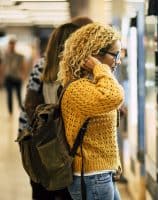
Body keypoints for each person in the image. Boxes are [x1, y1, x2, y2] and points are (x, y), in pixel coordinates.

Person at [19, 17, 93, 200]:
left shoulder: (41, 67)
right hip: (68, 150)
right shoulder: (77, 73)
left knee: (44, 191)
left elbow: (28, 106)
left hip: (43, 146)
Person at [58, 22, 124, 200]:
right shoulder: (79, 89)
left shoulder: (92, 85)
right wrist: (99, 68)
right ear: (95, 54)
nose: (119, 60)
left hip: (100, 174)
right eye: (115, 54)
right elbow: (115, 95)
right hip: (91, 177)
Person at [3, 37, 25, 115]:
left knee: (18, 95)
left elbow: (23, 66)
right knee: (9, 96)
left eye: (13, 44)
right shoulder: (5, 55)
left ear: (15, 45)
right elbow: (3, 66)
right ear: (9, 45)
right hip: (8, 77)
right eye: (10, 44)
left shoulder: (19, 56)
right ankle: (10, 112)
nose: (11, 46)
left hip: (17, 78)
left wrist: (23, 76)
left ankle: (21, 111)